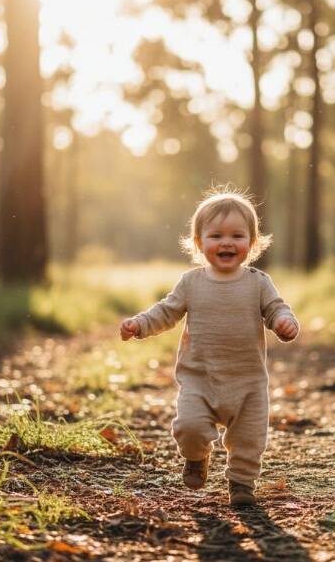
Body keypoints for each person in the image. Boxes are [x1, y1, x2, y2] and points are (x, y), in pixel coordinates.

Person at [120, 188, 299, 506]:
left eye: (237, 235)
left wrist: (285, 323)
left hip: (248, 383)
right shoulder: (191, 283)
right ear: (200, 243)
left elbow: (276, 309)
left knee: (249, 439)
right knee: (189, 427)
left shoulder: (258, 283)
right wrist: (140, 325)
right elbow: (166, 311)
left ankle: (241, 484)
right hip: (199, 380)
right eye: (216, 235)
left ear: (252, 243)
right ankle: (196, 456)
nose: (227, 242)